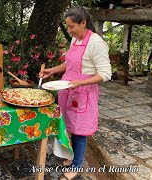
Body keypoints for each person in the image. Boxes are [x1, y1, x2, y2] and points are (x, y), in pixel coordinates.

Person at [39, 6, 111, 180]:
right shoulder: (75, 40)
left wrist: (80, 82)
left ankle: (77, 166)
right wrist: (52, 71)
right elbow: (69, 64)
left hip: (83, 93)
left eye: (72, 26)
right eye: (68, 26)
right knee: (66, 124)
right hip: (68, 89)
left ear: (83, 23)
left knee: (79, 131)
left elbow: (105, 74)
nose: (69, 30)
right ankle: (69, 155)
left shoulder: (96, 43)